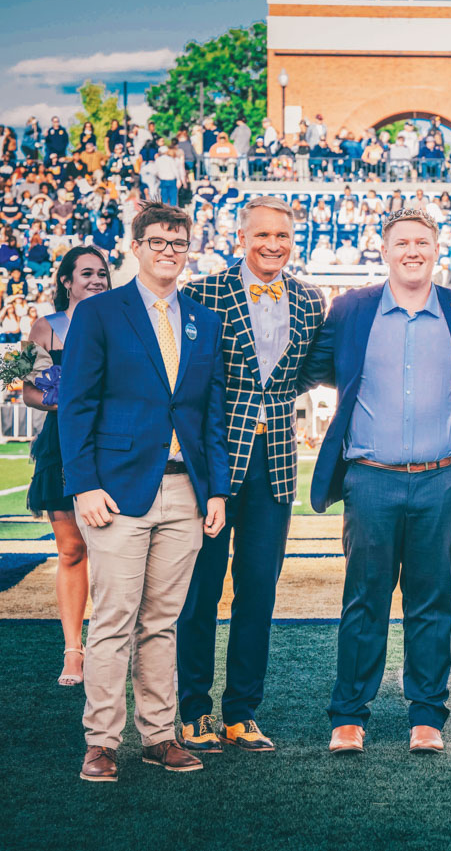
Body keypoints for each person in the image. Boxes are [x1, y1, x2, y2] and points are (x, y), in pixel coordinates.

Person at [301, 209, 451, 755]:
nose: (413, 251)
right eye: (402, 242)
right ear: (384, 249)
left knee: (432, 603)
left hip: (440, 481)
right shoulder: (351, 309)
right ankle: (349, 715)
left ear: (437, 248)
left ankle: (427, 716)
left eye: (422, 241)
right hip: (370, 481)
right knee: (364, 603)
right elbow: (309, 369)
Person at [58, 202, 230, 782]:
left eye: (178, 243)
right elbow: (76, 405)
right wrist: (82, 484)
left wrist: (217, 491)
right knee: (112, 620)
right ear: (136, 246)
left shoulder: (204, 320)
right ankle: (102, 741)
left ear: (189, 249)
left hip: (186, 491)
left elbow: (210, 415)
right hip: (118, 492)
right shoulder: (101, 312)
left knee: (163, 620)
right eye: (157, 241)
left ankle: (159, 735)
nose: (168, 251)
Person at [174, 196, 326, 755]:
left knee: (258, 592)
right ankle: (193, 710)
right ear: (241, 238)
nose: (273, 245)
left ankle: (241, 712)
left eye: (283, 236)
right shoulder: (204, 292)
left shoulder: (311, 299)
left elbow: (308, 369)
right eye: (262, 235)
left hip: (277, 465)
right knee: (200, 592)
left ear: (293, 240)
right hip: (215, 462)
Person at [23, 246, 111, 687]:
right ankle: (73, 650)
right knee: (72, 550)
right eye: (87, 273)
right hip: (60, 444)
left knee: (114, 553)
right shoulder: (46, 327)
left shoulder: (122, 323)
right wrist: (60, 399)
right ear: (66, 281)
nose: (96, 280)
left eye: (102, 274)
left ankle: (110, 645)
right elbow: (26, 391)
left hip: (111, 447)